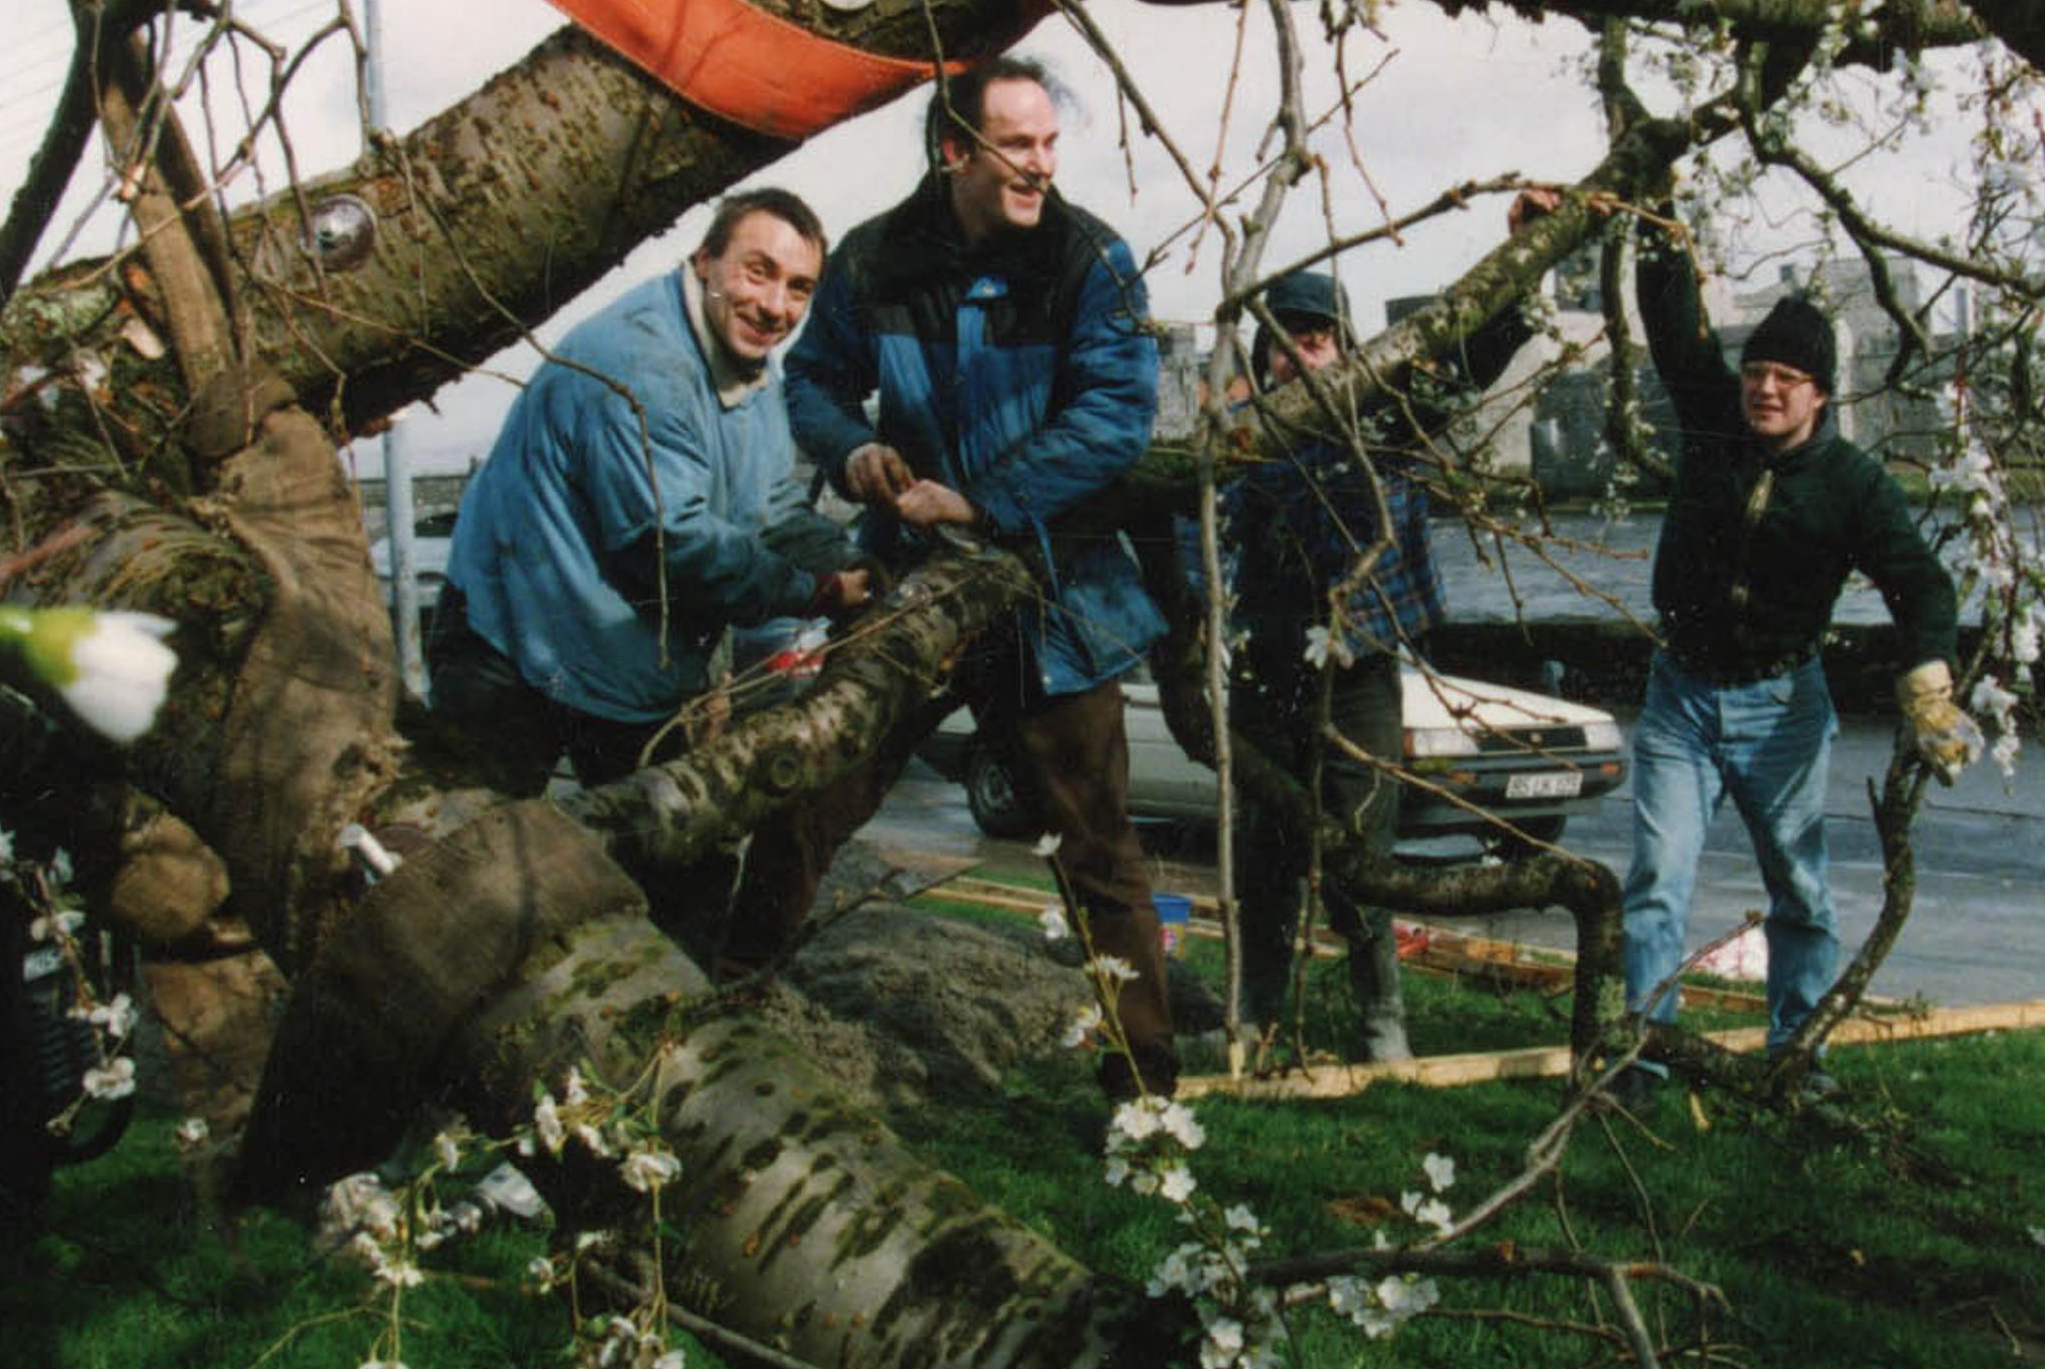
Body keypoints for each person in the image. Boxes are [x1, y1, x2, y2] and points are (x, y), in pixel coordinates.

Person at [725, 55, 1184, 1100]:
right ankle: (721, 1019)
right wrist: (852, 452)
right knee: (807, 794)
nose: (1040, 166)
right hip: (909, 581)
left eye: (1050, 144)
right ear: (953, 150)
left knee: (1097, 856)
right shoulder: (873, 261)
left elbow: (1114, 419)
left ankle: (1148, 1103)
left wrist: (980, 502)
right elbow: (813, 381)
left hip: (1051, 591)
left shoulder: (1091, 262)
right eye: (1016, 145)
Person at [429, 187, 869, 941]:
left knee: (684, 874)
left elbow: (771, 508)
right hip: (511, 640)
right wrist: (818, 590)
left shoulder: (753, 371)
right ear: (704, 263)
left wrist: (857, 565)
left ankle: (669, 1042)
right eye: (758, 272)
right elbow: (672, 545)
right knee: (473, 884)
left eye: (798, 287)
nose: (775, 305)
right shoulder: (642, 364)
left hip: (625, 656)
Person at [1620, 220, 1975, 1052]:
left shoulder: (1855, 486)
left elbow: (1921, 582)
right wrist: (1656, 218)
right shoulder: (1712, 425)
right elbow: (1675, 329)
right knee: (1655, 886)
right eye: (1756, 372)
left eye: (1787, 376)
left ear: (1820, 392)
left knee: (1801, 889)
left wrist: (1929, 682)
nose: (1765, 389)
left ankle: (1796, 1055)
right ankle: (1643, 1062)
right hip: (1680, 698)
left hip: (1781, 704)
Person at [1216, 218, 1542, 1063]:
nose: (1303, 359)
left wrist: (1523, 272)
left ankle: (1380, 1023)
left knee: (1361, 842)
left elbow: (1462, 372)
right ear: (1264, 356)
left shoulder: (1387, 418)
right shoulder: (1239, 438)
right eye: (1285, 345)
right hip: (1267, 665)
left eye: (1318, 340)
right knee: (1263, 852)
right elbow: (1204, 543)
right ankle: (1255, 1013)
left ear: (1342, 347)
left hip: (1361, 667)